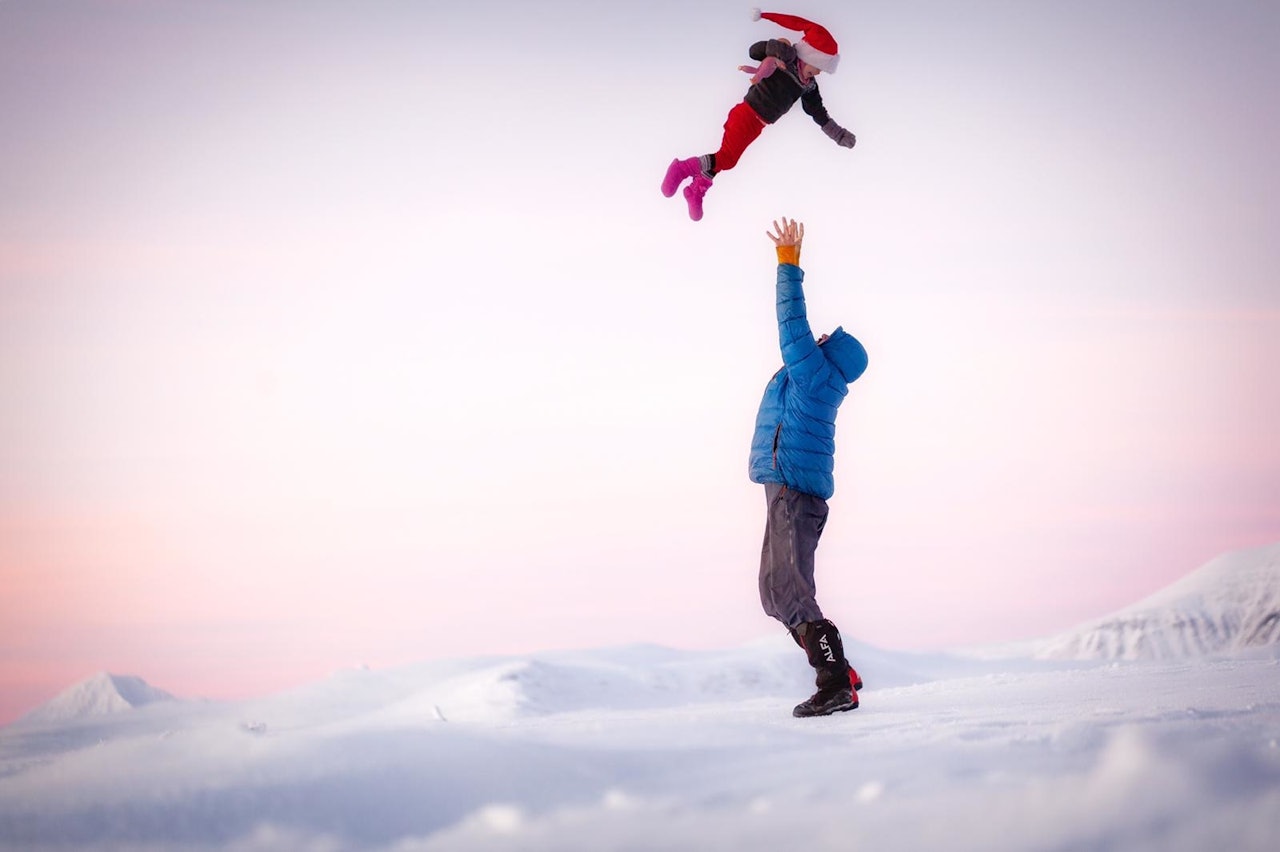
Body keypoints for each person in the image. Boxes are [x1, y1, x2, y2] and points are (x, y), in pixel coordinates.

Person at [750, 216, 868, 717]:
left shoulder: (816, 375)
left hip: (793, 496)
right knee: (775, 592)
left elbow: (791, 326)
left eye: (826, 339)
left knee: (791, 592)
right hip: (789, 492)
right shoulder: (817, 381)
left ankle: (835, 681)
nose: (818, 337)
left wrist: (788, 264)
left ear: (831, 354)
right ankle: (838, 669)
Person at [661, 9, 858, 221]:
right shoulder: (788, 58)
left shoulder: (808, 85)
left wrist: (838, 134)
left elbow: (817, 111)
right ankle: (682, 169)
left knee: (727, 158)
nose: (816, 74)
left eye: (820, 72)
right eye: (816, 68)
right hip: (746, 114)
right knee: (727, 159)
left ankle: (696, 189)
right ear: (807, 55)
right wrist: (774, 48)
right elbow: (754, 51)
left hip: (758, 125)